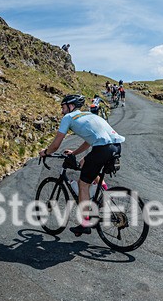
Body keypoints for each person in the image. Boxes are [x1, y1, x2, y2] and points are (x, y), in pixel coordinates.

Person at [39, 94, 125, 236]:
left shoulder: (68, 118)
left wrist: (46, 152)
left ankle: (85, 223)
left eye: (63, 107)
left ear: (71, 106)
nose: (62, 110)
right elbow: (89, 140)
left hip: (102, 148)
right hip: (116, 146)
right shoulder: (89, 115)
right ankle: (105, 195)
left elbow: (55, 145)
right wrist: (75, 153)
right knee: (87, 165)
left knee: (83, 183)